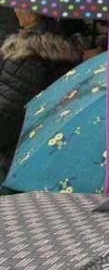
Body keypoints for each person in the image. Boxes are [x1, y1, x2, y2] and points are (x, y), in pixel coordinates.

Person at [0, 10, 82, 179]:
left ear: (31, 13)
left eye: (18, 7)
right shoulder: (65, 49)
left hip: (20, 151)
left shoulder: (25, 53)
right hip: (54, 142)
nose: (16, 12)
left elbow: (9, 109)